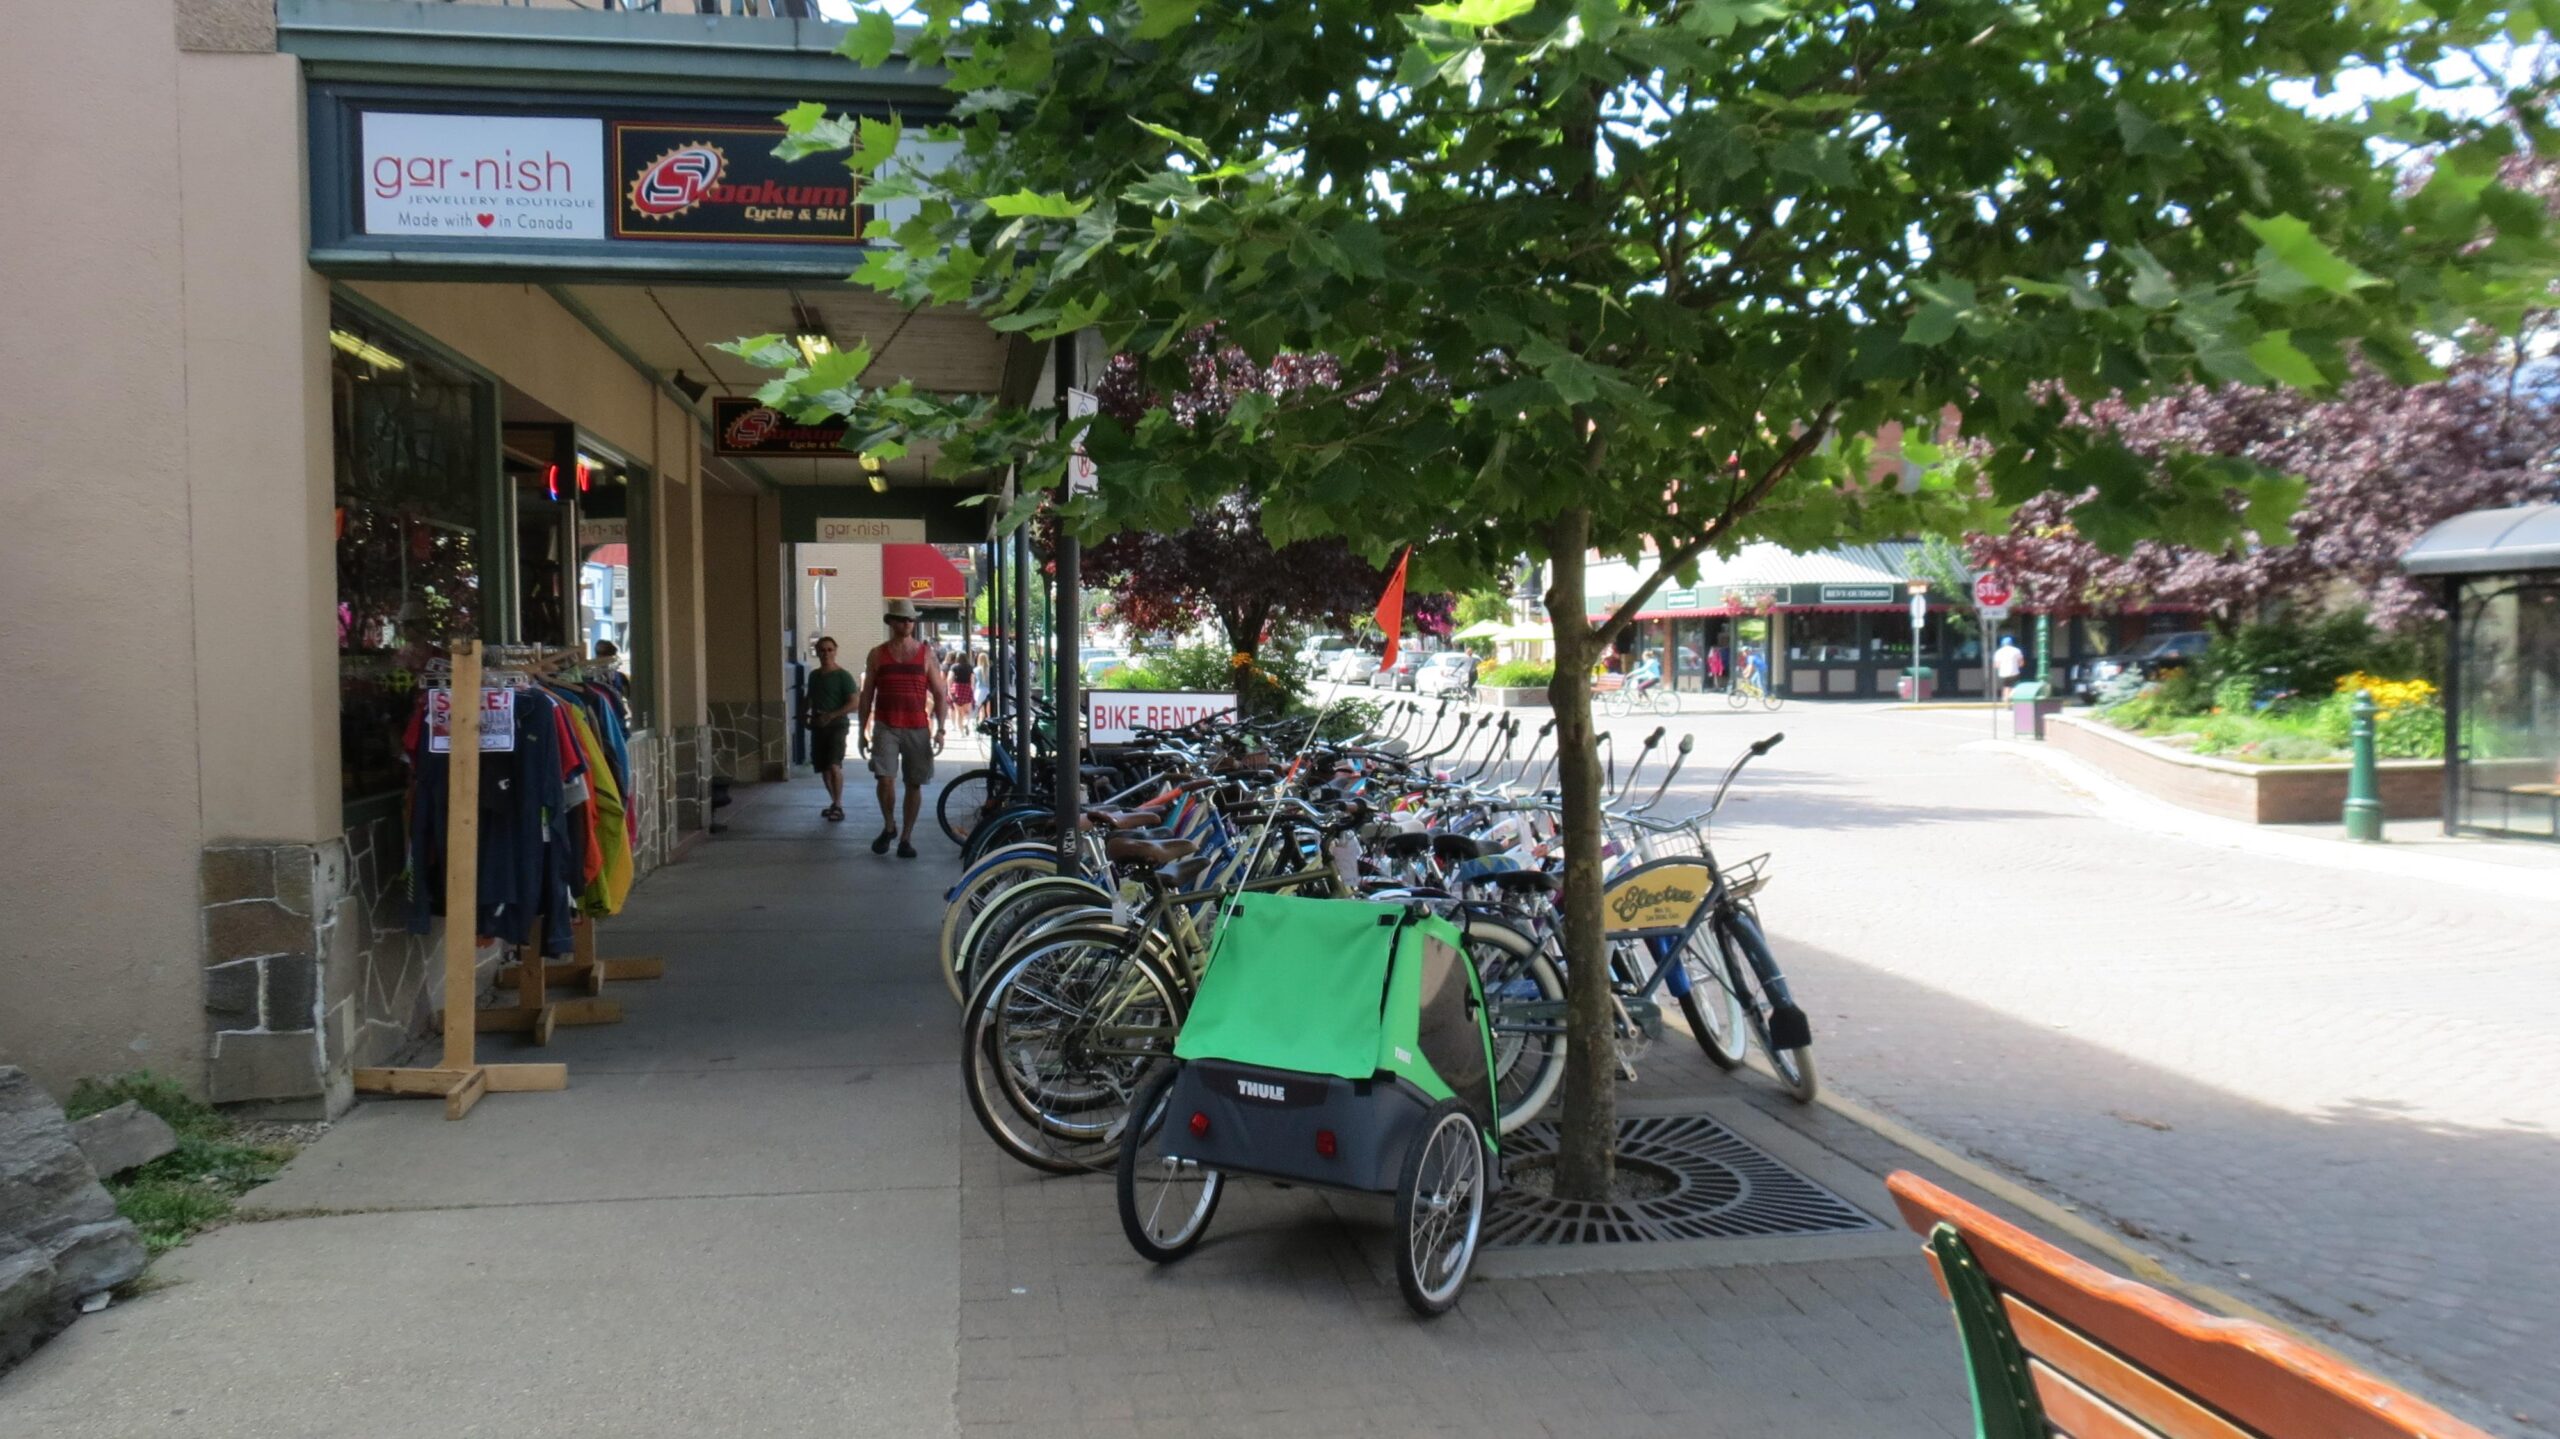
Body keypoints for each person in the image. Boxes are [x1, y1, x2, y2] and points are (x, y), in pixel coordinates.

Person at [859, 598, 951, 858]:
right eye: (902, 619)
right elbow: (866, 695)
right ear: (891, 622)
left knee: (914, 782)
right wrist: (861, 732)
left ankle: (906, 838)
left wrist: (941, 728)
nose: (907, 623)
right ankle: (889, 825)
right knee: (884, 778)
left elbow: (940, 694)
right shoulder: (877, 654)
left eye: (911, 619)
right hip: (885, 725)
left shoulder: (926, 653)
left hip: (917, 727)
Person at [803, 637, 859, 822]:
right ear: (817, 652)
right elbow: (810, 698)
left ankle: (839, 804)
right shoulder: (814, 676)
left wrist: (832, 715)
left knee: (834, 765)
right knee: (824, 768)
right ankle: (833, 802)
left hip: (837, 726)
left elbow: (853, 702)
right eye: (822, 650)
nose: (826, 653)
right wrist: (805, 715)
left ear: (835, 651)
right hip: (819, 725)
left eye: (829, 649)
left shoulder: (843, 676)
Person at [950, 648, 979, 726]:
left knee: (958, 712)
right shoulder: (970, 667)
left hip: (957, 688)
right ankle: (966, 722)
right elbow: (972, 679)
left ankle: (961, 732)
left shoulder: (954, 667)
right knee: (967, 710)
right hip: (967, 688)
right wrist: (972, 689)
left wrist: (950, 689)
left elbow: (950, 678)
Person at [1993, 634, 2027, 699]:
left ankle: (2006, 700)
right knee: (2015, 686)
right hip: (2014, 672)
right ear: (2011, 643)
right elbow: (2021, 663)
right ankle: (2011, 695)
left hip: (2003, 673)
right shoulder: (2017, 650)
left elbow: (1996, 665)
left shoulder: (1998, 652)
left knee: (2006, 686)